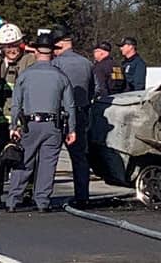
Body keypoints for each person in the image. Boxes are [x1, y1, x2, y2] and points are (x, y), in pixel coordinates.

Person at [6, 30, 76, 213]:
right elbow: (70, 106)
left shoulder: (25, 75)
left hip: (30, 124)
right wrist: (72, 130)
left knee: (24, 162)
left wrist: (14, 126)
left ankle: (13, 200)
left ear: (36, 51)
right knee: (48, 164)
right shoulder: (61, 76)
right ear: (52, 52)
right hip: (53, 125)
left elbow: (16, 104)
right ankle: (42, 201)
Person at [0, 23, 34, 207]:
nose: (11, 50)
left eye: (14, 45)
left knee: (24, 158)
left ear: (21, 44)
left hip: (21, 119)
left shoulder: (29, 61)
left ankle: (26, 194)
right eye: (7, 46)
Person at [51, 25, 94, 208]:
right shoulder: (86, 63)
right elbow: (93, 89)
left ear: (60, 44)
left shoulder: (56, 64)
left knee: (50, 155)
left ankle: (43, 197)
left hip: (59, 114)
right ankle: (82, 196)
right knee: (79, 157)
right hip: (81, 112)